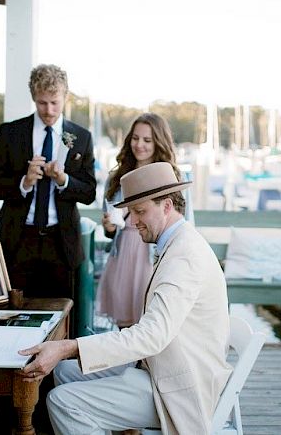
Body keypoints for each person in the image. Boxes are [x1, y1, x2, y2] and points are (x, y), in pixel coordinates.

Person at [19, 162, 231, 434]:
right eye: (130, 212)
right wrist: (69, 350)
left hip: (179, 385)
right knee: (63, 372)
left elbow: (151, 336)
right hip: (159, 366)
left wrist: (67, 347)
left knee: (62, 402)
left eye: (140, 211)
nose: (132, 221)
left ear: (167, 206)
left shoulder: (184, 257)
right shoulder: (178, 243)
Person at [0, 64, 96, 301]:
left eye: (55, 102)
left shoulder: (82, 137)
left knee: (60, 319)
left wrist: (64, 180)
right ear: (34, 97)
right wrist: (24, 182)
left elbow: (89, 193)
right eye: (42, 103)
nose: (49, 110)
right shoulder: (10, 133)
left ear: (65, 96)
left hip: (61, 244)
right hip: (18, 241)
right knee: (13, 316)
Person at [97, 112, 182, 327]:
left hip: (153, 254)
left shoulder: (171, 176)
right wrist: (108, 227)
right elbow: (110, 224)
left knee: (152, 322)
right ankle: (131, 363)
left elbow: (184, 221)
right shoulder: (116, 177)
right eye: (135, 138)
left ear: (158, 142)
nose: (139, 145)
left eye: (147, 140)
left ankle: (147, 363)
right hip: (124, 252)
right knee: (125, 325)